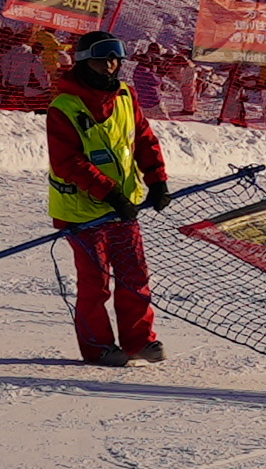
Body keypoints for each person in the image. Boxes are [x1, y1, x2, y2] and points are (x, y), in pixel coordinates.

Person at [44, 31, 171, 368]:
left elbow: (143, 139)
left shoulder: (125, 95)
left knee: (134, 275)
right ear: (84, 61)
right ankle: (98, 347)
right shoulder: (64, 107)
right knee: (95, 284)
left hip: (122, 208)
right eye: (102, 59)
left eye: (115, 59)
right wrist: (110, 192)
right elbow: (67, 162)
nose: (110, 65)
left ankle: (139, 340)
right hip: (83, 212)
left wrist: (157, 180)